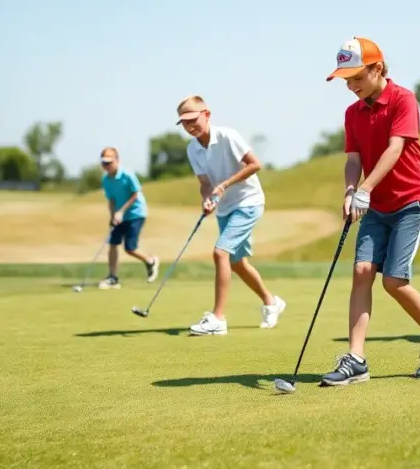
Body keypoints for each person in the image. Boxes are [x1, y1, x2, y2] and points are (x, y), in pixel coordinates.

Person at [319, 36, 420, 386]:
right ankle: (356, 359)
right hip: (375, 207)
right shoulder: (352, 113)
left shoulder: (403, 100)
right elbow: (353, 159)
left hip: (411, 203)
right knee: (362, 270)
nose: (350, 87)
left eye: (356, 78)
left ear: (377, 68)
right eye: (346, 81)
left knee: (394, 281)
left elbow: (396, 148)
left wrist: (364, 189)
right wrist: (352, 189)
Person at [176, 95, 286, 335]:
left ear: (206, 114)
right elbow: (204, 182)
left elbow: (255, 164)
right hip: (225, 208)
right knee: (237, 263)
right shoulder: (192, 148)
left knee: (220, 252)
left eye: (193, 119)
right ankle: (271, 302)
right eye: (184, 123)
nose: (189, 126)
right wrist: (207, 198)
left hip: (248, 202)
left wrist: (224, 185)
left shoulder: (227, 136)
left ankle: (218, 318)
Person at [98, 147, 159, 289]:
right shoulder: (106, 180)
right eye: (104, 163)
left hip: (136, 213)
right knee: (113, 243)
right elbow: (111, 199)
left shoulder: (127, 174)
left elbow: (135, 194)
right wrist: (113, 215)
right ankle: (113, 277)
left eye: (109, 162)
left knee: (130, 248)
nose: (106, 166)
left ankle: (150, 260)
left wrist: (121, 211)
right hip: (119, 214)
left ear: (117, 160)